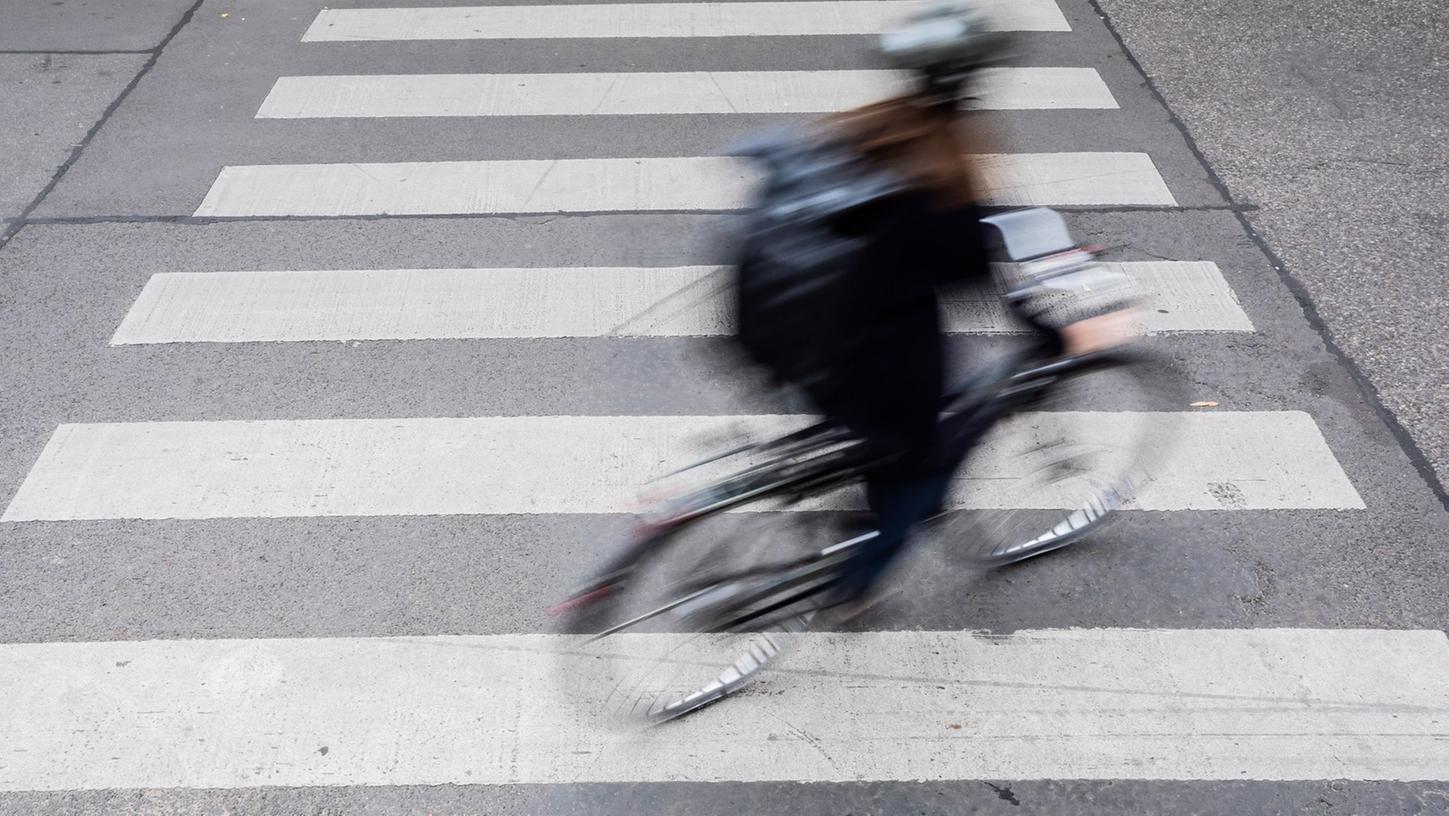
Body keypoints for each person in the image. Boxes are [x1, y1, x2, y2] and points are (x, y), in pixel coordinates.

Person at [741, 1, 1130, 605]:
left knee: (869, 441)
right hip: (866, 361)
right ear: (969, 81)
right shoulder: (944, 177)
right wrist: (1056, 336)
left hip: (777, 328)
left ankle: (859, 481)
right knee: (917, 474)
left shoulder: (859, 131)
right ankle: (852, 586)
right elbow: (983, 270)